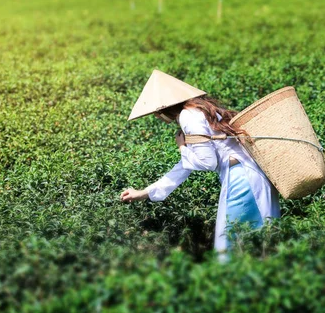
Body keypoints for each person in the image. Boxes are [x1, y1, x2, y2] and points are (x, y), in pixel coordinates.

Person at [120, 70, 280, 261]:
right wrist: (145, 192)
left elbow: (207, 162)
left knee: (233, 247)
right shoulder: (198, 111)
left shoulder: (188, 117)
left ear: (163, 109)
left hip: (242, 181)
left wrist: (182, 148)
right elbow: (185, 166)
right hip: (250, 176)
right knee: (257, 246)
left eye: (156, 112)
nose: (156, 116)